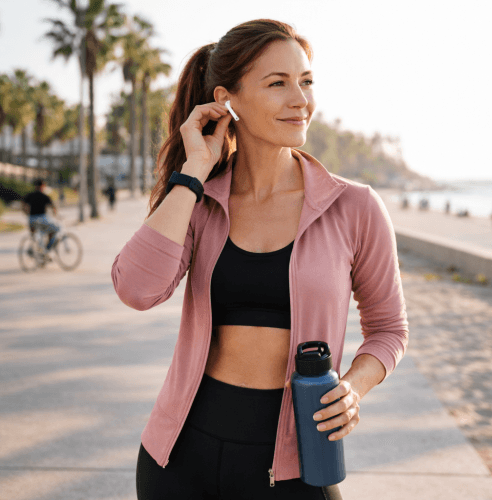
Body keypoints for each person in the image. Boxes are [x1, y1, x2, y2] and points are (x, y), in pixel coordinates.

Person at [111, 19, 408, 500]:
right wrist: (191, 175)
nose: (301, 99)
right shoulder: (200, 202)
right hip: (181, 458)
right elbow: (136, 289)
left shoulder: (355, 207)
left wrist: (353, 388)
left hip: (299, 464)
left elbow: (389, 329)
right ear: (229, 100)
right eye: (278, 83)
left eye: (306, 81)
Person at [21, 178, 60, 252]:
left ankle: (33, 246)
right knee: (54, 230)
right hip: (42, 219)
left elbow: (22, 205)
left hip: (31, 220)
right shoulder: (45, 196)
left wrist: (27, 213)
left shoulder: (30, 195)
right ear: (43, 186)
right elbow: (53, 208)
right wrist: (56, 214)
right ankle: (47, 249)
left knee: (35, 234)